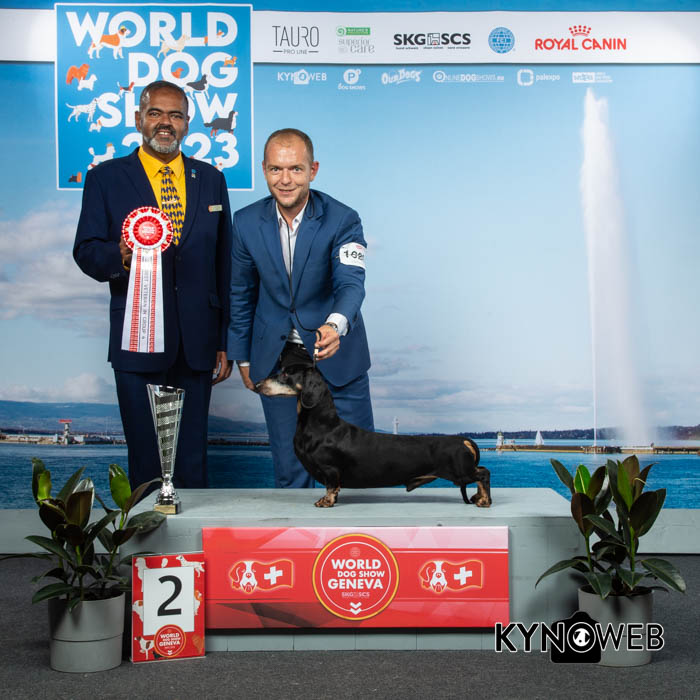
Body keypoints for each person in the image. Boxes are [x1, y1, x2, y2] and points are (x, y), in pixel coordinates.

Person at [73, 80, 233, 489]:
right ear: (138, 119)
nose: (166, 122)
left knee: (192, 458)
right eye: (156, 113)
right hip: (137, 339)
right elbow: (85, 250)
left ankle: (191, 533)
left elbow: (224, 264)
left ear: (187, 124)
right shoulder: (106, 178)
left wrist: (224, 340)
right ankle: (147, 532)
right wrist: (122, 254)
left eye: (175, 115)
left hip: (198, 345)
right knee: (146, 459)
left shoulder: (211, 179)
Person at [229, 128, 374, 488]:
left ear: (313, 170)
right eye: (276, 169)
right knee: (292, 472)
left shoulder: (343, 219)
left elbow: (350, 283)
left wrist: (335, 325)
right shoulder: (245, 222)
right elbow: (241, 292)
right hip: (277, 361)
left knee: (358, 468)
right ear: (264, 170)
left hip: (336, 356)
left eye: (295, 169)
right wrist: (243, 359)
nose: (285, 180)